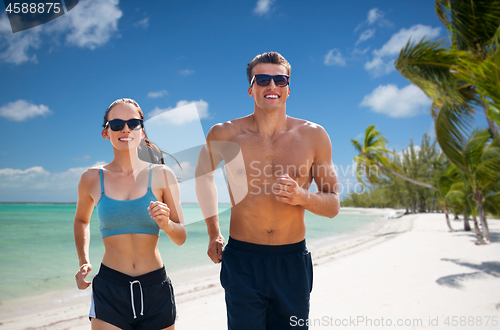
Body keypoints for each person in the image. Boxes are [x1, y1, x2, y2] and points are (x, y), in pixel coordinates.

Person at [195, 52, 340, 329]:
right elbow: (202, 177)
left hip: (292, 262)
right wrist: (213, 232)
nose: (271, 86)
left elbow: (333, 206)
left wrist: (302, 197)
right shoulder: (224, 134)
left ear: (288, 88)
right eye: (262, 80)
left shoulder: (314, 136)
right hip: (242, 260)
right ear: (251, 89)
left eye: (279, 79)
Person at [74, 98, 186, 330]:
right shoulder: (91, 178)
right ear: (106, 132)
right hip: (110, 288)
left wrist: (165, 224)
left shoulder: (163, 175)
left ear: (141, 130)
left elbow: (180, 237)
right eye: (117, 124)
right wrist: (84, 261)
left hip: (155, 287)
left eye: (133, 123)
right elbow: (81, 220)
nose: (125, 129)